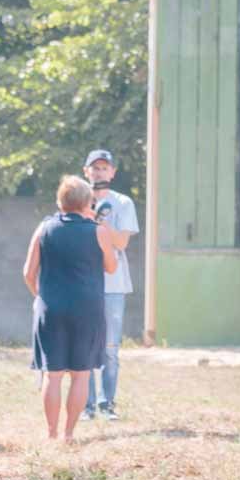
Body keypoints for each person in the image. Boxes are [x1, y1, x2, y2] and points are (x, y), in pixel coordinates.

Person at [24, 176, 118, 442]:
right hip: (87, 309)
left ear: (59, 201)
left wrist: (41, 297)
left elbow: (28, 273)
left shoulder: (44, 229)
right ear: (88, 202)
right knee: (80, 374)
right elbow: (111, 267)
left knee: (51, 376)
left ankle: (51, 433)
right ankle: (69, 434)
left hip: (50, 309)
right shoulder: (98, 230)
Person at [81, 149, 140, 421]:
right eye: (95, 168)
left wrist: (100, 220)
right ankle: (86, 405)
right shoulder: (78, 199)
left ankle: (107, 404)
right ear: (86, 172)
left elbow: (121, 242)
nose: (99, 172)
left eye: (104, 168)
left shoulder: (123, 203)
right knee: (84, 346)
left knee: (110, 348)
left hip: (114, 285)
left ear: (113, 172)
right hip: (83, 283)